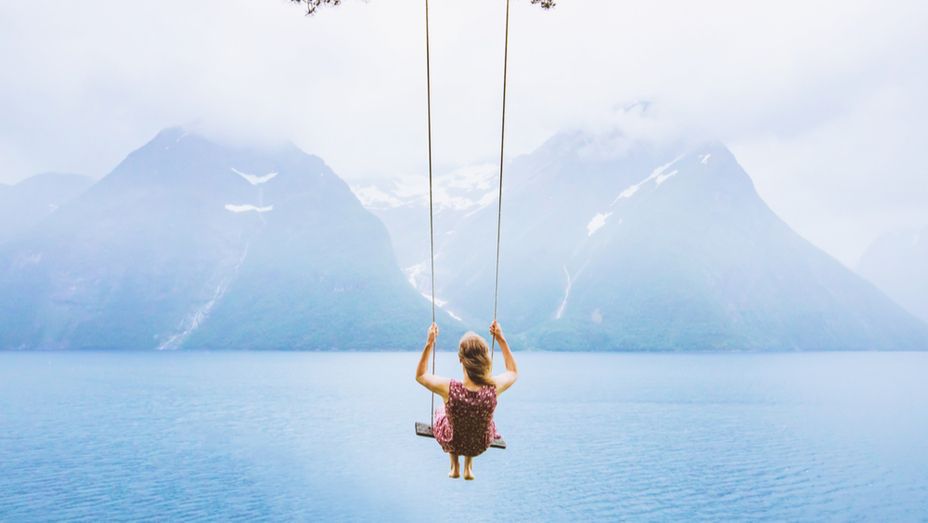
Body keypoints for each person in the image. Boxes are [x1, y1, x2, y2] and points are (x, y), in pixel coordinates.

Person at [415, 320, 518, 480]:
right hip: (479, 445)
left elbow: (421, 375)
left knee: (442, 410)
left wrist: (430, 342)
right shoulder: (492, 388)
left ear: (460, 359)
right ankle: (468, 468)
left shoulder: (449, 389)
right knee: (475, 420)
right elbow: (512, 372)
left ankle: (454, 466)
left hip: (453, 442)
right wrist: (500, 338)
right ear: (485, 360)